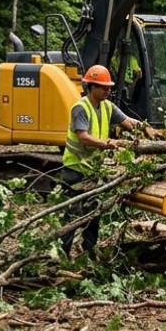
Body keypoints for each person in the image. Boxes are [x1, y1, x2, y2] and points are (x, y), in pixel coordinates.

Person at [60, 64, 141, 258]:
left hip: (93, 171)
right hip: (75, 170)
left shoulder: (107, 106)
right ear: (91, 87)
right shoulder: (81, 108)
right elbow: (83, 137)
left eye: (108, 87)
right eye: (103, 87)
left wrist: (145, 128)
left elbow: (127, 121)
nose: (107, 91)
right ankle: (62, 255)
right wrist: (108, 143)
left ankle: (90, 252)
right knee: (72, 215)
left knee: (94, 213)